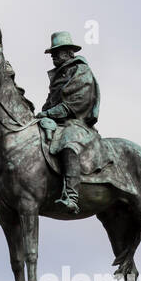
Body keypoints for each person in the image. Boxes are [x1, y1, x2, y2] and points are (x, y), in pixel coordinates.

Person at [38, 32, 100, 213]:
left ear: (68, 52)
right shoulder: (58, 75)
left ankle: (72, 196)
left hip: (77, 123)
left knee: (68, 145)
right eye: (52, 53)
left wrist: (48, 113)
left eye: (56, 52)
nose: (53, 56)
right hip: (57, 122)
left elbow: (76, 104)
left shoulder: (81, 71)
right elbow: (50, 102)